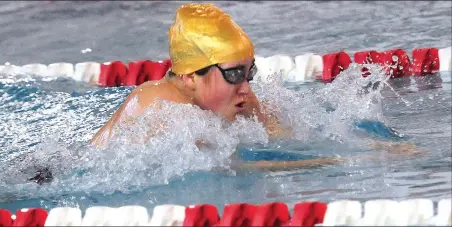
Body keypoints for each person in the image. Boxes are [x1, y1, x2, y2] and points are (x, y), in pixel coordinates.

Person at [89, 3, 422, 173]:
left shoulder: (231, 94)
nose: (246, 87)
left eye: (250, 73)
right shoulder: (166, 112)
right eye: (235, 74)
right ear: (190, 76)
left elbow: (283, 136)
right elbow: (237, 167)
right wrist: (351, 159)